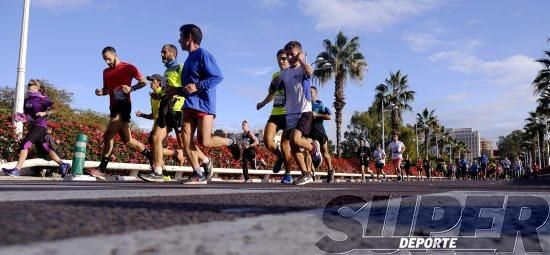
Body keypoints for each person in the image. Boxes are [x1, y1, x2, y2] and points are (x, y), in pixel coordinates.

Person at [177, 24, 240, 185]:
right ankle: (198, 174)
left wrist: (197, 86)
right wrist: (175, 90)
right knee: (185, 138)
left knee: (204, 141)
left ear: (189, 37)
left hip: (205, 104)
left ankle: (231, 142)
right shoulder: (188, 59)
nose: (179, 41)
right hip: (190, 103)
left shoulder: (203, 54)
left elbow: (218, 77)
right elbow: (188, 88)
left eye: (181, 37)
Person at [87, 46, 151, 180]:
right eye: (104, 60)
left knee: (108, 134)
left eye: (108, 59)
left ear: (115, 55)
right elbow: (106, 89)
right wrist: (101, 92)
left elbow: (144, 81)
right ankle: (152, 157)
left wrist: (131, 88)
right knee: (128, 140)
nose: (107, 62)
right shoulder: (106, 72)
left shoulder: (128, 67)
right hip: (113, 106)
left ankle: (102, 169)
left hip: (124, 105)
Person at [2, 79, 70, 178]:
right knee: (46, 149)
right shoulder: (27, 100)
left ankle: (16, 170)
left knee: (25, 144)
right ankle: (63, 165)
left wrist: (45, 113)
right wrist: (21, 117)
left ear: (37, 87)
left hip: (40, 125)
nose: (29, 86)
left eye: (31, 84)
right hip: (34, 126)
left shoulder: (43, 99)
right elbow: (28, 116)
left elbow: (57, 108)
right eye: (28, 84)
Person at [276, 41, 320, 185]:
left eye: (292, 54)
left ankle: (313, 148)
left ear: (299, 54)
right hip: (290, 114)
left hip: (304, 111)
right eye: (287, 55)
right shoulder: (284, 73)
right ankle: (306, 174)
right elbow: (279, 88)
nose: (289, 57)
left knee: (295, 139)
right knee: (293, 146)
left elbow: (310, 71)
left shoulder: (303, 69)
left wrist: (301, 58)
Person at [136, 73, 186, 182]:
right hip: (157, 124)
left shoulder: (163, 93)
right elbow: (153, 115)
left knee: (156, 148)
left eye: (152, 81)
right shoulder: (152, 97)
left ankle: (174, 155)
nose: (150, 83)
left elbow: (167, 109)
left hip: (164, 124)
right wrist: (142, 115)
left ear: (159, 82)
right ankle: (165, 174)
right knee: (155, 149)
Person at [256, 49, 293, 184]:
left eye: (283, 58)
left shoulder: (294, 73)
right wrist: (263, 103)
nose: (281, 61)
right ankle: (281, 157)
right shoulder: (275, 75)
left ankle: (288, 175)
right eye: (279, 59)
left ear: (289, 59)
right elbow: (272, 93)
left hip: (289, 113)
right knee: (267, 141)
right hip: (276, 113)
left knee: (285, 144)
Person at [309, 86, 334, 183]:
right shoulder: (305, 104)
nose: (309, 94)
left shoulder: (319, 104)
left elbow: (328, 117)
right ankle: (312, 173)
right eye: (308, 92)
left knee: (325, 153)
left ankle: (330, 170)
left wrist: (316, 114)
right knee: (309, 153)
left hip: (320, 132)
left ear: (316, 94)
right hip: (309, 133)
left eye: (311, 92)